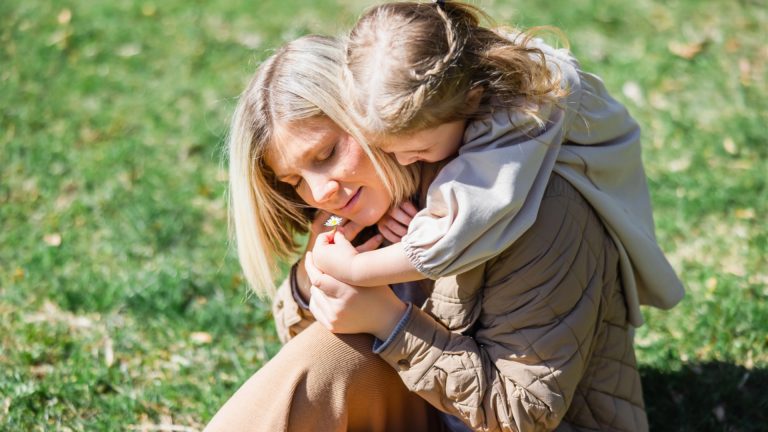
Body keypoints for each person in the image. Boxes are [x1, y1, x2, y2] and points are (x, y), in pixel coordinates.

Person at [206, 6, 684, 432]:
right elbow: (304, 351)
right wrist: (314, 281)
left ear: (372, 112)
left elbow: (526, 414)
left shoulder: (537, 205)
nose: (319, 192)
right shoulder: (362, 203)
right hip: (430, 410)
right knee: (320, 359)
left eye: (328, 153)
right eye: (294, 181)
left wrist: (390, 322)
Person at [312, 2, 684, 327]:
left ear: (472, 101)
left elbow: (462, 228)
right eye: (388, 151)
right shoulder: (443, 94)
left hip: (599, 190)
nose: (404, 162)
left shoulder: (527, 107)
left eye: (418, 151)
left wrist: (354, 269)